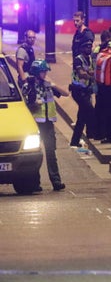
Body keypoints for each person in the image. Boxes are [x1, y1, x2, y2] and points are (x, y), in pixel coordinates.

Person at [22, 60, 69, 192]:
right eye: (43, 71)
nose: (45, 73)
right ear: (37, 72)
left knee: (50, 152)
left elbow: (66, 93)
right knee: (33, 154)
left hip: (48, 124)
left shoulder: (47, 85)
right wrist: (33, 103)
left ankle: (56, 181)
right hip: (35, 124)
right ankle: (34, 183)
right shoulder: (28, 86)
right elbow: (24, 105)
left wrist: (53, 84)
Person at [69, 39, 96, 149]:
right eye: (86, 47)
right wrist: (92, 76)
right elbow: (81, 74)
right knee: (91, 111)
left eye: (90, 47)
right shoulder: (78, 60)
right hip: (78, 91)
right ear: (82, 48)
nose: (89, 49)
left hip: (86, 91)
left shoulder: (89, 59)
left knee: (82, 117)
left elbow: (92, 71)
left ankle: (75, 141)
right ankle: (92, 133)